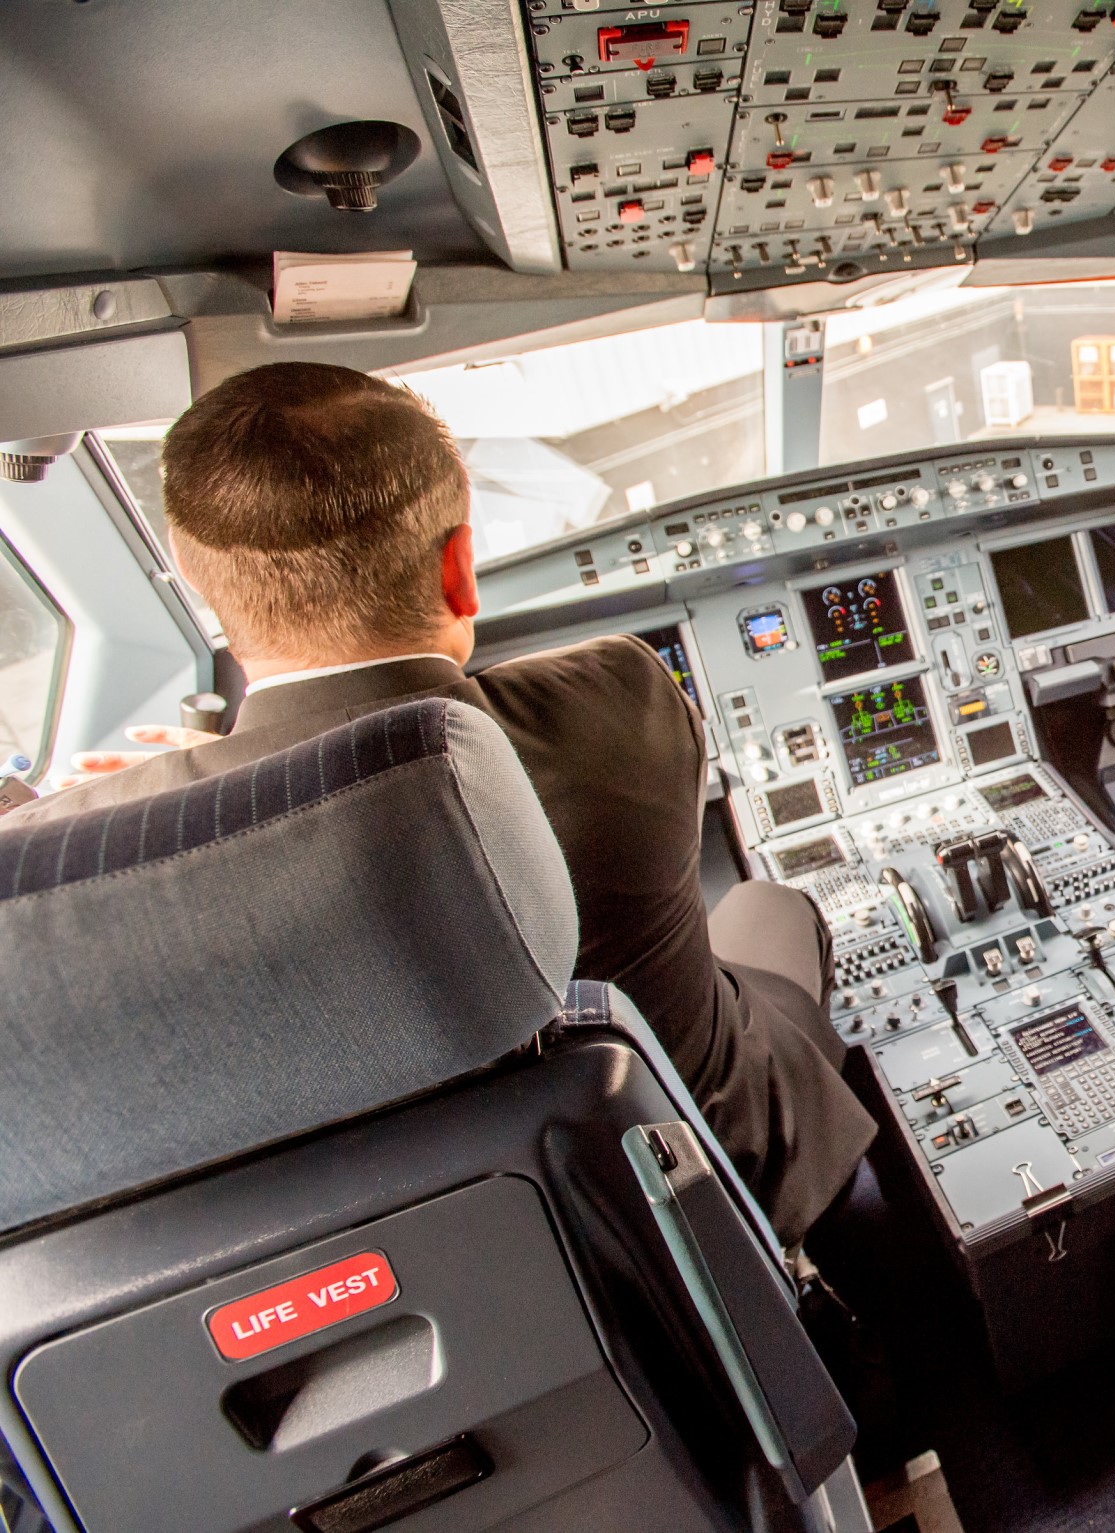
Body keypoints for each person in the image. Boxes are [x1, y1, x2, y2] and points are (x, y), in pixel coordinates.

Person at [18, 362, 875, 1246]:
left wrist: (196, 775)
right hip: (717, 1165)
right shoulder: (617, 701)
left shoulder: (114, 881)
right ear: (459, 570)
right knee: (772, 906)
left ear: (208, 588)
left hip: (491, 1253)